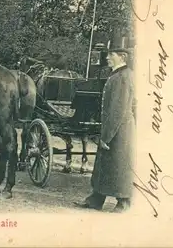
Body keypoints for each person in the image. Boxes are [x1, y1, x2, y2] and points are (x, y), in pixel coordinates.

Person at [74, 38, 136, 213]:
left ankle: (124, 201)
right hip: (116, 128)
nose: (107, 57)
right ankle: (96, 198)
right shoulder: (118, 75)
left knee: (119, 165)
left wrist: (106, 136)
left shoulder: (122, 77)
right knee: (106, 164)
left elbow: (118, 110)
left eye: (111, 54)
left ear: (122, 56)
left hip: (119, 130)